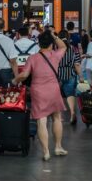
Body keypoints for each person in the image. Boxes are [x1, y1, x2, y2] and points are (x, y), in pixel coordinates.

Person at [15, 30, 69, 161]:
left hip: (38, 90)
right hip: (53, 89)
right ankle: (58, 146)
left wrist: (15, 80)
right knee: (56, 117)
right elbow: (63, 46)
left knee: (41, 121)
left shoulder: (33, 58)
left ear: (39, 44)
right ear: (51, 44)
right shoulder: (55, 55)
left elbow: (24, 75)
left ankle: (46, 152)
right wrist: (54, 36)